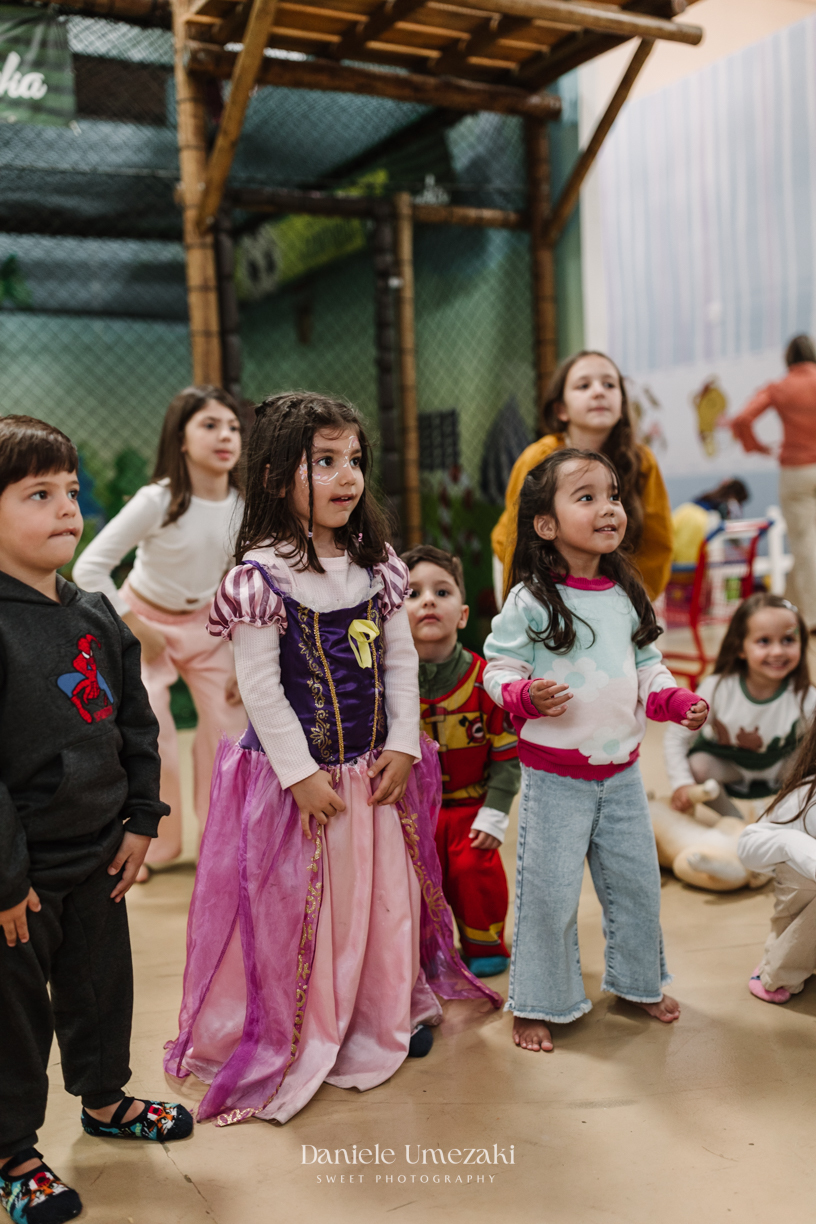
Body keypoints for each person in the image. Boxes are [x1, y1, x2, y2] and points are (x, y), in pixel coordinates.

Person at [164, 392, 500, 1127]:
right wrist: (300, 775)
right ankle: (316, 1024)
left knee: (383, 900)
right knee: (313, 909)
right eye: (324, 461)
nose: (347, 476)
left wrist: (404, 743)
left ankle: (381, 1011)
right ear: (276, 475)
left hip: (372, 772)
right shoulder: (262, 577)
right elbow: (259, 687)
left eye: (354, 459)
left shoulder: (378, 567)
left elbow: (401, 663)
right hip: (304, 785)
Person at [0, 417, 192, 1224]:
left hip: (100, 852)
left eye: (71, 491)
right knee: (14, 1017)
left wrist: (142, 820)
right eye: (37, 494)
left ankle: (106, 1102)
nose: (65, 508)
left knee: (100, 988)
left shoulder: (95, 614)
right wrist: (6, 879)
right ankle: (13, 1153)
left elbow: (138, 725)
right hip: (20, 877)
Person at [482, 448, 708, 1053]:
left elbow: (648, 665)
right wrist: (525, 695)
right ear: (545, 524)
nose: (608, 508)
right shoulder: (530, 599)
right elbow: (497, 669)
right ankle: (537, 1001)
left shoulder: (627, 593)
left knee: (637, 887)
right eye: (586, 497)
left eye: (613, 495)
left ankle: (639, 982)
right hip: (555, 780)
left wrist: (671, 700)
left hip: (624, 777)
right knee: (549, 896)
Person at [73, 386, 247, 871]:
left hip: (210, 629)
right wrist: (133, 626)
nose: (225, 436)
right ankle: (153, 847)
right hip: (144, 628)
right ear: (181, 438)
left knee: (230, 731)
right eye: (210, 425)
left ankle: (222, 848)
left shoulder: (242, 506)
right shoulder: (158, 499)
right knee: (155, 739)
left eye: (233, 427)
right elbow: (89, 568)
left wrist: (244, 657)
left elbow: (244, 583)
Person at [403, 544, 520, 978]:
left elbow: (508, 754)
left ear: (464, 615)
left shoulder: (486, 680)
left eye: (442, 592)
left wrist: (495, 813)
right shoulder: (387, 686)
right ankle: (424, 952)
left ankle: (483, 944)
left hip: (471, 809)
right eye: (412, 593)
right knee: (410, 877)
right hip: (412, 813)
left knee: (475, 867)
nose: (428, 601)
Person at [491, 351, 673, 605]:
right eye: (584, 385)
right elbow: (518, 538)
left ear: (622, 405)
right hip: (530, 570)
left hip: (611, 577)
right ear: (561, 409)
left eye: (609, 384)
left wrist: (634, 602)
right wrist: (527, 602)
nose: (598, 392)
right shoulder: (539, 457)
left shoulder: (642, 462)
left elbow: (657, 543)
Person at [665, 593, 815, 820]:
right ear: (740, 647)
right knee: (698, 766)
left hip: (782, 768)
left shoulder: (806, 695)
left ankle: (780, 818)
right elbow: (676, 737)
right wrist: (681, 783)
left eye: (788, 640)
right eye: (764, 641)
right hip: (730, 766)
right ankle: (734, 820)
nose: (777, 651)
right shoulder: (716, 688)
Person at [728, 334, 816, 630]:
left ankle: (811, 616)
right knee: (808, 545)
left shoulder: (780, 387)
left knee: (804, 544)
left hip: (796, 472)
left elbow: (742, 419)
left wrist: (755, 446)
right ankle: (792, 607)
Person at [738, 714, 816, 1003]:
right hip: (804, 891)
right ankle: (777, 971)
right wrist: (794, 844)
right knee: (804, 880)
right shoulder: (805, 797)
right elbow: (748, 847)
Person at [671, 478, 750, 566]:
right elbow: (728, 527)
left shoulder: (710, 497)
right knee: (690, 560)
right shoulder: (725, 504)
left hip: (683, 513)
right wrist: (741, 548)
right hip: (695, 523)